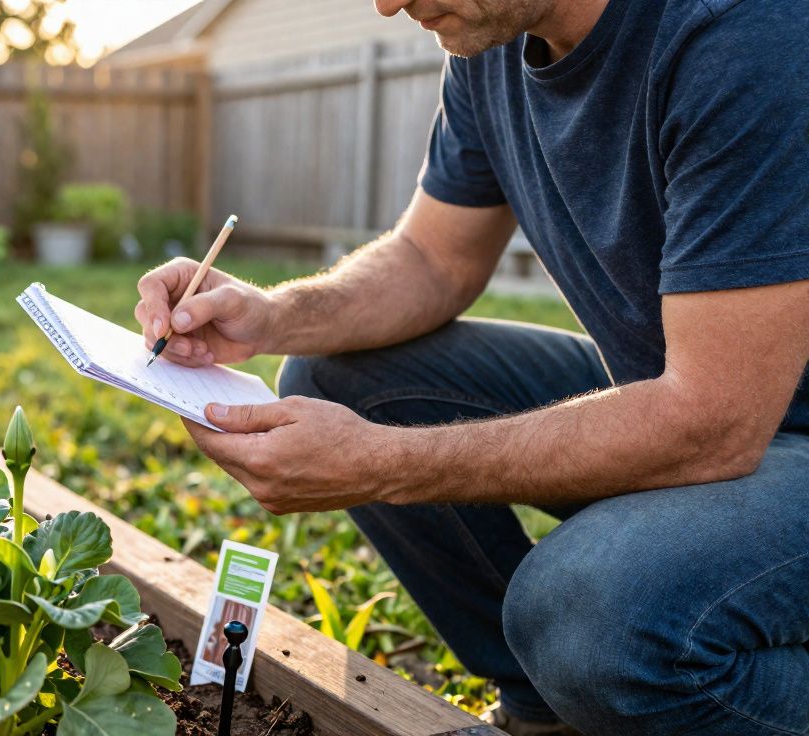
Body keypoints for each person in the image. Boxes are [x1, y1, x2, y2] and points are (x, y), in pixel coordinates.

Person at [132, 1, 809, 735]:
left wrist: (383, 463)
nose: (387, 3)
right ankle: (545, 713)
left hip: (750, 420)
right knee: (336, 378)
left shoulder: (746, 37)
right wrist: (272, 315)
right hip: (704, 399)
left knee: (589, 614)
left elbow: (714, 423)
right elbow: (433, 258)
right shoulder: (491, 39)